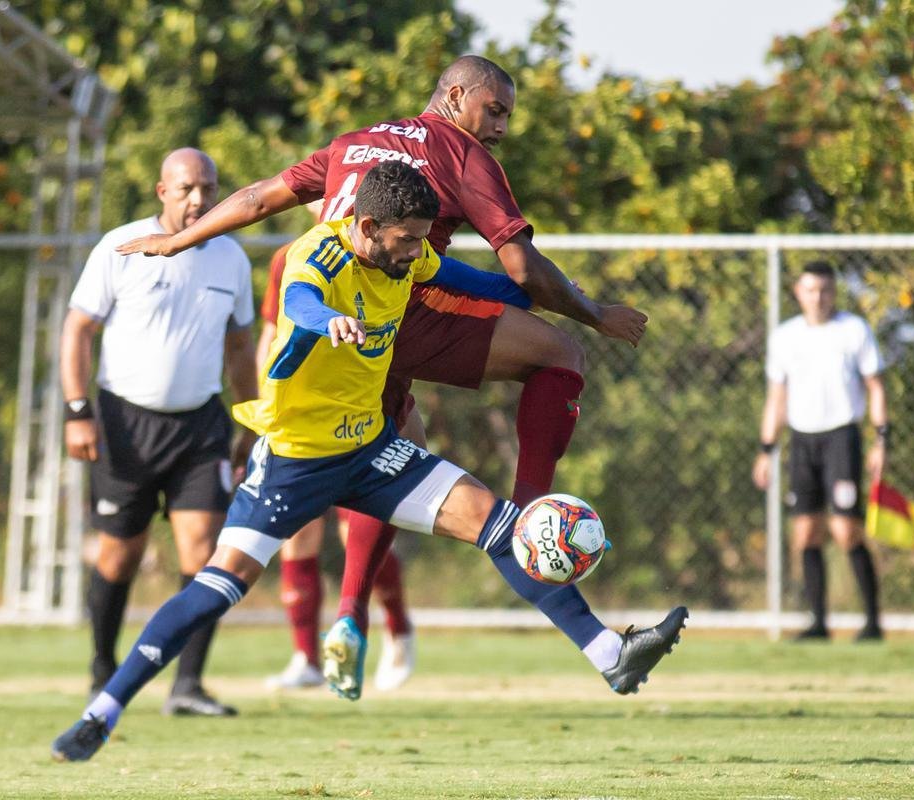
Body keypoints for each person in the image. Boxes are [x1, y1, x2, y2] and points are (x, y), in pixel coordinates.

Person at [51, 162, 687, 762]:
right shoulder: (317, 254)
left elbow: (486, 285)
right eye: (407, 240)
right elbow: (300, 300)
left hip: (370, 448)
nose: (417, 252)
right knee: (219, 586)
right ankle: (103, 710)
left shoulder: (410, 254)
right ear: (366, 228)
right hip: (295, 461)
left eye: (421, 241)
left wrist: (560, 297)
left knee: (502, 528)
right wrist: (327, 322)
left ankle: (611, 654)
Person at [115, 55, 648, 694]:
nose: (502, 126)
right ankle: (534, 520)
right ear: (455, 95)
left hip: (334, 338)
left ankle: (348, 623)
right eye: (496, 109)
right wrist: (593, 312)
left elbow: (260, 197)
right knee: (563, 354)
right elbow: (521, 266)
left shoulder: (355, 142)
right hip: (397, 309)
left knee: (398, 456)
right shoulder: (464, 155)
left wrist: (179, 240)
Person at [60, 147, 259, 716]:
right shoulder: (120, 248)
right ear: (162, 192)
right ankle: (103, 668)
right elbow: (77, 330)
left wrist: (250, 421)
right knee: (120, 556)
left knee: (206, 551)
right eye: (188, 188)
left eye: (210, 188)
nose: (199, 199)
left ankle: (187, 685)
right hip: (125, 423)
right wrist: (78, 411)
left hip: (200, 427)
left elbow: (240, 347)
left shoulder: (230, 259)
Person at [257, 239, 416, 692]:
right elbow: (272, 332)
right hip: (303, 419)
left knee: (357, 533)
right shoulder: (290, 257)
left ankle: (399, 629)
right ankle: (307, 657)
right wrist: (264, 408)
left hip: (360, 417)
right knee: (296, 535)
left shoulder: (384, 254)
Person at [752, 260, 888, 641]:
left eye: (826, 290)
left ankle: (873, 623)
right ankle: (818, 623)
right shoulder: (785, 337)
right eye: (811, 290)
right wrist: (766, 449)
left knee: (846, 530)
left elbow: (875, 387)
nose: (819, 298)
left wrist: (881, 439)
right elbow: (777, 397)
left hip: (842, 437)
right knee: (806, 533)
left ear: (834, 292)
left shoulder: (853, 330)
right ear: (799, 292)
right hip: (802, 439)